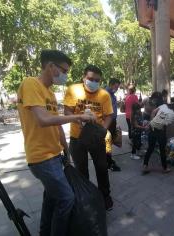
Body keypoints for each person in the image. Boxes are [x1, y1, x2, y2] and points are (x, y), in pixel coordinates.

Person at [17, 50, 94, 236]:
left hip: (55, 155)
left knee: (51, 198)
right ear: (51, 66)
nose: (66, 75)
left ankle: (45, 232)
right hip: (41, 158)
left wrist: (66, 153)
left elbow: (56, 125)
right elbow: (43, 120)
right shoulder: (30, 84)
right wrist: (78, 116)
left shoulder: (50, 92)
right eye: (64, 70)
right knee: (67, 199)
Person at [63, 64, 114, 210]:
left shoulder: (104, 95)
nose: (94, 82)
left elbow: (109, 115)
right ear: (84, 77)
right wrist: (77, 119)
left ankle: (105, 196)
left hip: (96, 137)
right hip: (77, 137)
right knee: (81, 170)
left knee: (102, 167)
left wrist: (102, 130)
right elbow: (67, 111)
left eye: (97, 80)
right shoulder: (73, 89)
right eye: (91, 79)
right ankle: (85, 198)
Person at [142, 94, 174, 174]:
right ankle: (164, 168)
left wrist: (151, 122)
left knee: (150, 148)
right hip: (160, 131)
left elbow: (153, 112)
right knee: (162, 150)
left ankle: (145, 165)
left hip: (152, 128)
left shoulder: (164, 105)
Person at [105, 78, 122, 171]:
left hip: (112, 121)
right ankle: (108, 163)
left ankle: (109, 159)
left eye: (118, 87)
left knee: (109, 142)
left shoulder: (112, 94)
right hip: (107, 122)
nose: (117, 89)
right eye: (116, 86)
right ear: (111, 84)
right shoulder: (105, 94)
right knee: (107, 142)